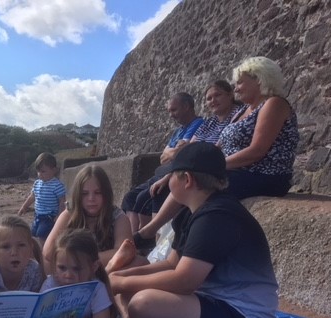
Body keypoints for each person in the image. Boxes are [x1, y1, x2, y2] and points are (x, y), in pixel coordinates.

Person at [110, 142, 278, 318]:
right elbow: (172, 263)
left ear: (187, 180)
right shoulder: (190, 213)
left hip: (242, 315)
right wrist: (120, 277)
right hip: (205, 297)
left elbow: (184, 281)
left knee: (143, 303)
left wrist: (120, 283)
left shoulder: (217, 216)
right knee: (129, 274)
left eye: (171, 175)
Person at [134, 80, 244, 248]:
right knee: (156, 191)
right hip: (193, 167)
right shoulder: (210, 122)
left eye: (218, 95)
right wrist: (168, 176)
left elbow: (200, 152)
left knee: (169, 190)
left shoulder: (236, 116)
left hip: (209, 169)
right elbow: (188, 152)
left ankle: (154, 240)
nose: (213, 100)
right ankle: (152, 243)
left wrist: (179, 161)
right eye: (209, 98)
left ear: (230, 95)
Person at [121, 92, 204, 235]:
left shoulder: (198, 124)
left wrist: (172, 152)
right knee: (129, 198)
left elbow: (180, 153)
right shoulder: (178, 131)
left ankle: (140, 242)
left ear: (186, 107)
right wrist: (173, 152)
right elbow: (164, 156)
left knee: (144, 199)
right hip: (163, 172)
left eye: (174, 110)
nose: (171, 115)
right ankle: (131, 240)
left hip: (174, 173)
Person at [218, 56, 299, 199]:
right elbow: (219, 145)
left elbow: (257, 151)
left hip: (263, 175)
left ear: (259, 79)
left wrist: (214, 165)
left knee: (199, 185)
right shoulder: (242, 111)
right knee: (185, 177)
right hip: (235, 171)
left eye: (240, 83)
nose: (236, 89)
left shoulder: (274, 104)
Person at [43, 165, 132, 274]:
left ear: (106, 193)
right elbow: (48, 252)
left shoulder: (118, 217)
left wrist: (82, 261)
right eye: (84, 194)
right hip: (72, 271)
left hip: (106, 270)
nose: (91, 199)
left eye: (97, 193)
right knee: (43, 264)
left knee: (139, 262)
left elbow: (125, 251)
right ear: (77, 195)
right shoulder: (70, 214)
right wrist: (78, 262)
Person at [41, 229, 117, 318]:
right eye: (62, 268)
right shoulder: (51, 285)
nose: (68, 275)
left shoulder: (97, 289)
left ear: (94, 267)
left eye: (77, 269)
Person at [18, 152, 66, 244]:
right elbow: (32, 196)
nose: (40, 174)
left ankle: (43, 253)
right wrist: (24, 207)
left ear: (54, 170)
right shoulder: (37, 183)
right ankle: (36, 252)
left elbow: (62, 201)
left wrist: (59, 216)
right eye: (38, 171)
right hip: (37, 215)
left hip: (49, 216)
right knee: (33, 233)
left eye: (43, 171)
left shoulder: (57, 185)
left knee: (42, 235)